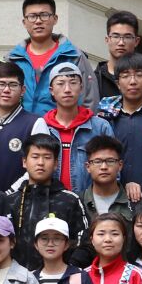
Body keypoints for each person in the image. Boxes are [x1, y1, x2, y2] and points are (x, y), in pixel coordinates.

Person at [6, 0, 98, 114]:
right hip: (22, 126)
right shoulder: (13, 59)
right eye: (32, 16)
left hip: (63, 126)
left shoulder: (74, 56)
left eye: (44, 15)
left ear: (55, 19)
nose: (38, 21)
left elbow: (89, 101)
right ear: (24, 22)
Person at [30, 61, 113, 194]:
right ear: (51, 91)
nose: (67, 89)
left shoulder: (100, 127)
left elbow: (113, 170)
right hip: (49, 200)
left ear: (81, 88)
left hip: (90, 202)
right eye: (60, 83)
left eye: (73, 83)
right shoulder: (42, 127)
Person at [7, 133, 86, 268]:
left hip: (59, 275)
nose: (40, 163)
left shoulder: (69, 200)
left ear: (55, 164)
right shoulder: (11, 201)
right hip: (15, 276)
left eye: (47, 157)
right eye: (35, 157)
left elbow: (83, 240)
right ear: (24, 162)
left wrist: (68, 268)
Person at [95, 52, 142, 191]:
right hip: (112, 196)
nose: (133, 81)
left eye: (139, 75)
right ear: (117, 83)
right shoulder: (103, 118)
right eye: (125, 76)